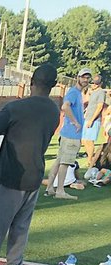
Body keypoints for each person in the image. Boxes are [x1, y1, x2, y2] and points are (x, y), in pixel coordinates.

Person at [0, 64, 60, 265]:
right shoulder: (54, 110)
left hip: (9, 174)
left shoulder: (16, 107)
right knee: (21, 225)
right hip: (34, 174)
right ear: (53, 86)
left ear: (31, 82)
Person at [45, 68, 92, 200]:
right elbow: (65, 107)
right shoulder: (74, 92)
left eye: (88, 78)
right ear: (78, 77)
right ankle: (60, 191)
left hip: (67, 133)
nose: (86, 80)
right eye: (83, 77)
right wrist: (75, 122)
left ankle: (50, 188)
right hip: (72, 134)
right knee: (65, 163)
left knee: (59, 161)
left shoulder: (77, 93)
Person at [82, 74, 107, 168]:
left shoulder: (101, 92)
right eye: (93, 83)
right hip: (87, 118)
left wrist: (92, 120)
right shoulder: (93, 92)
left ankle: (90, 161)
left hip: (94, 120)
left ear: (100, 84)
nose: (94, 84)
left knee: (89, 140)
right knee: (84, 140)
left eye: (96, 83)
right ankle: (90, 159)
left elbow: (100, 106)